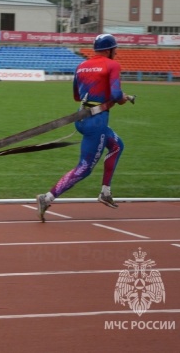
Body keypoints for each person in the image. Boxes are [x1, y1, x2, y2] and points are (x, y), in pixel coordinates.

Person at [36, 33, 134, 222]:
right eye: (115, 49)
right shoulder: (112, 65)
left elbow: (76, 95)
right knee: (85, 167)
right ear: (109, 50)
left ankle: (105, 192)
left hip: (81, 116)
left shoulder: (81, 66)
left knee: (117, 146)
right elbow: (116, 94)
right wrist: (123, 98)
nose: (117, 52)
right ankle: (46, 198)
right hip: (96, 122)